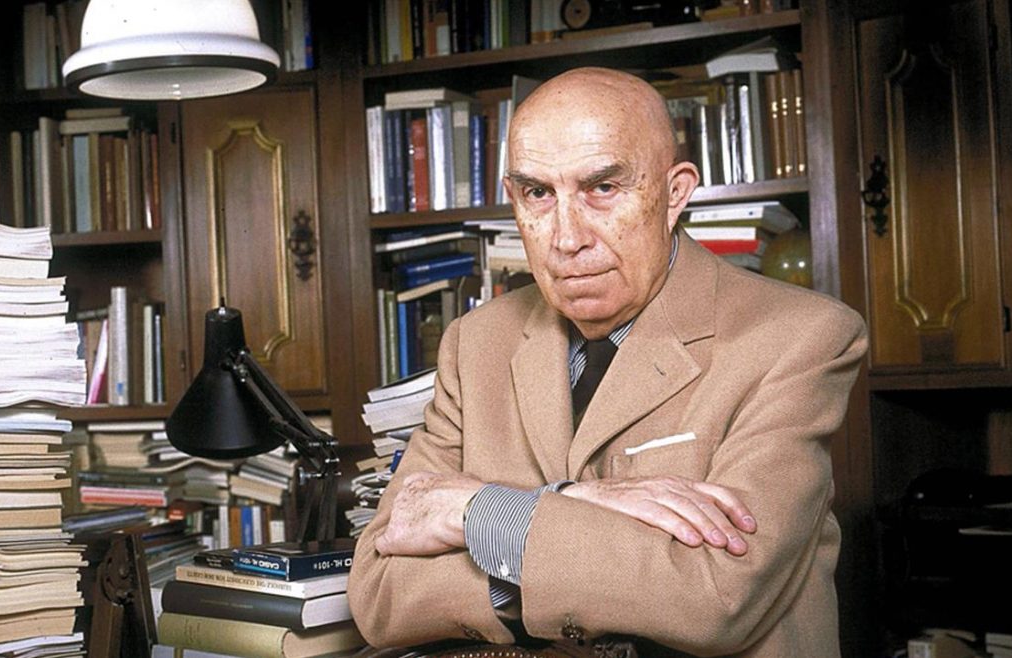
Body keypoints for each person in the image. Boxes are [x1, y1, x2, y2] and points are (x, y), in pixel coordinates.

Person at [347, 67, 867, 657]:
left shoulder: (799, 337)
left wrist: (478, 511)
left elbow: (715, 597)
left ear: (674, 194)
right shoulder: (475, 343)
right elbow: (379, 593)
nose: (567, 238)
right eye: (538, 194)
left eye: (603, 188)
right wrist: (576, 501)